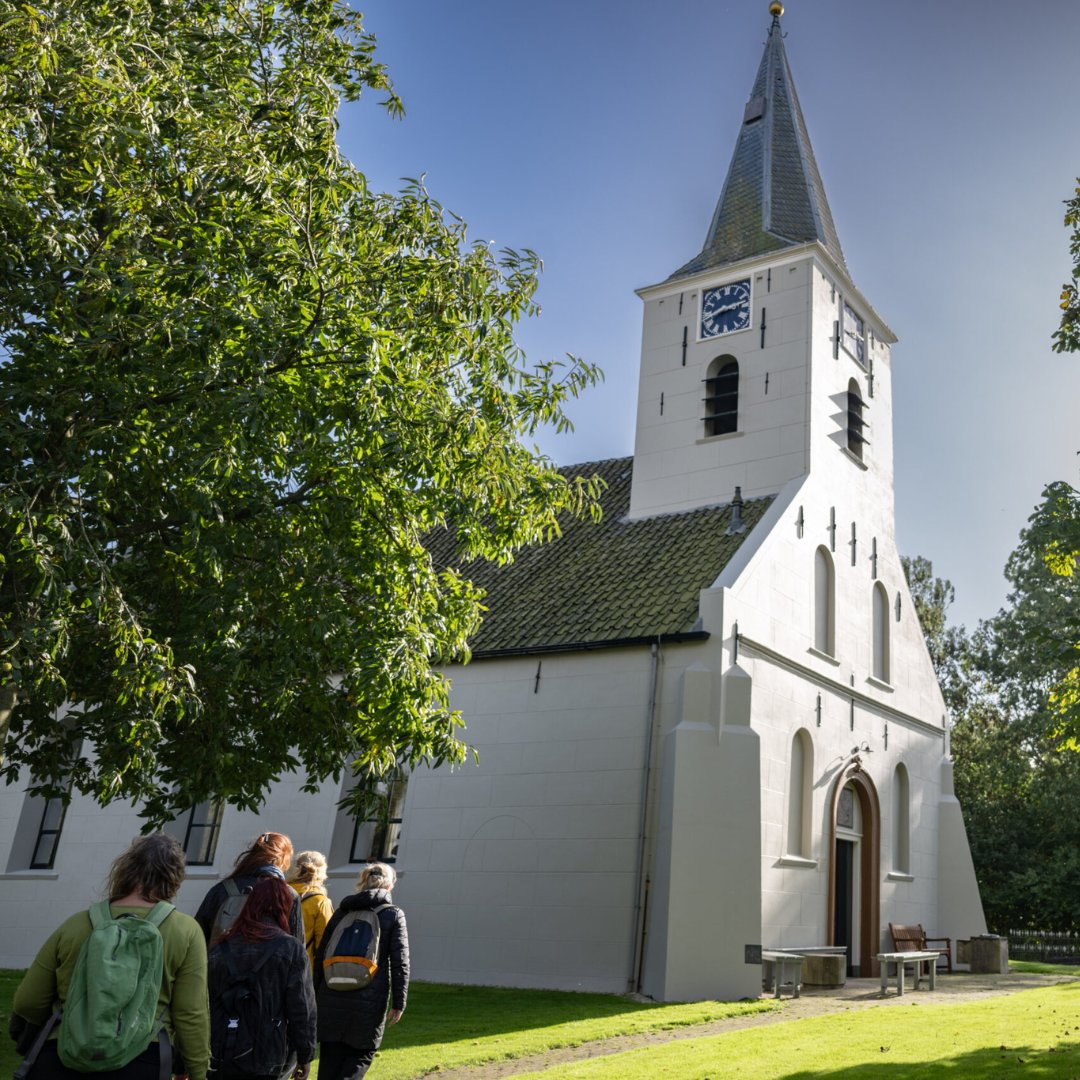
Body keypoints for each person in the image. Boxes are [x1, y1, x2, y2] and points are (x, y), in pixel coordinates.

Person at [11, 833, 210, 1080]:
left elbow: (28, 1002)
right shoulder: (186, 931)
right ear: (175, 878)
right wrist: (198, 1071)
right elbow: (191, 1014)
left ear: (125, 869)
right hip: (143, 1058)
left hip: (62, 1054)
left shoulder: (76, 924)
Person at [207, 877, 316, 1080]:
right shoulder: (291, 948)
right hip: (265, 1054)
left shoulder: (219, 947)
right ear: (284, 907)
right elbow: (302, 1008)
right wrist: (305, 1055)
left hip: (219, 1052)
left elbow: (201, 1005)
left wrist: (184, 1059)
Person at [313, 862, 409, 1080]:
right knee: (360, 1057)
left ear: (362, 881)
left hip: (332, 993)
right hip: (369, 998)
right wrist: (399, 1002)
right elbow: (400, 962)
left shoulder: (342, 911)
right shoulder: (393, 914)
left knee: (329, 1062)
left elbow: (322, 954)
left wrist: (315, 992)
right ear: (390, 886)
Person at [194, 831, 303, 944]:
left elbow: (197, 935)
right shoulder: (289, 894)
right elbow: (298, 944)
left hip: (222, 959)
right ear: (283, 860)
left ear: (253, 855)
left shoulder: (224, 889)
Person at [287, 850, 335, 974]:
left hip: (271, 964)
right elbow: (324, 944)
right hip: (302, 969)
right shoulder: (320, 901)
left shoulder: (279, 893)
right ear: (322, 873)